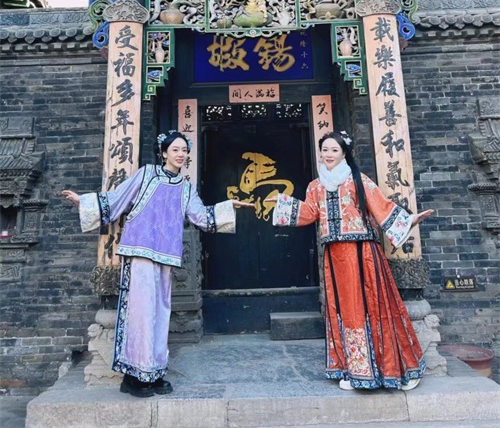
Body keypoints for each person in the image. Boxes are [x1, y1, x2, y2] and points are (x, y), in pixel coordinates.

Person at [62, 130, 253, 398]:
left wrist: (228, 206)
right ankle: (134, 375)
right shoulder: (146, 175)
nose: (181, 154)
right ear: (164, 153)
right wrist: (83, 201)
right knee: (140, 314)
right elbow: (116, 200)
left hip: (165, 256)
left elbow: (202, 217)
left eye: (184, 150)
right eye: (175, 149)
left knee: (160, 314)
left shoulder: (185, 187)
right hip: (139, 252)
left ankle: (153, 371)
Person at [267, 130, 433, 391]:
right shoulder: (315, 186)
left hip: (362, 253)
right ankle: (355, 369)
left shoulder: (358, 180)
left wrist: (408, 220)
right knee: (345, 312)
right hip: (335, 258)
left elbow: (381, 207)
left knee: (375, 308)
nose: (328, 154)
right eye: (325, 150)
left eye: (334, 150)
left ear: (344, 153)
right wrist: (282, 204)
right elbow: (309, 213)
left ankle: (400, 369)